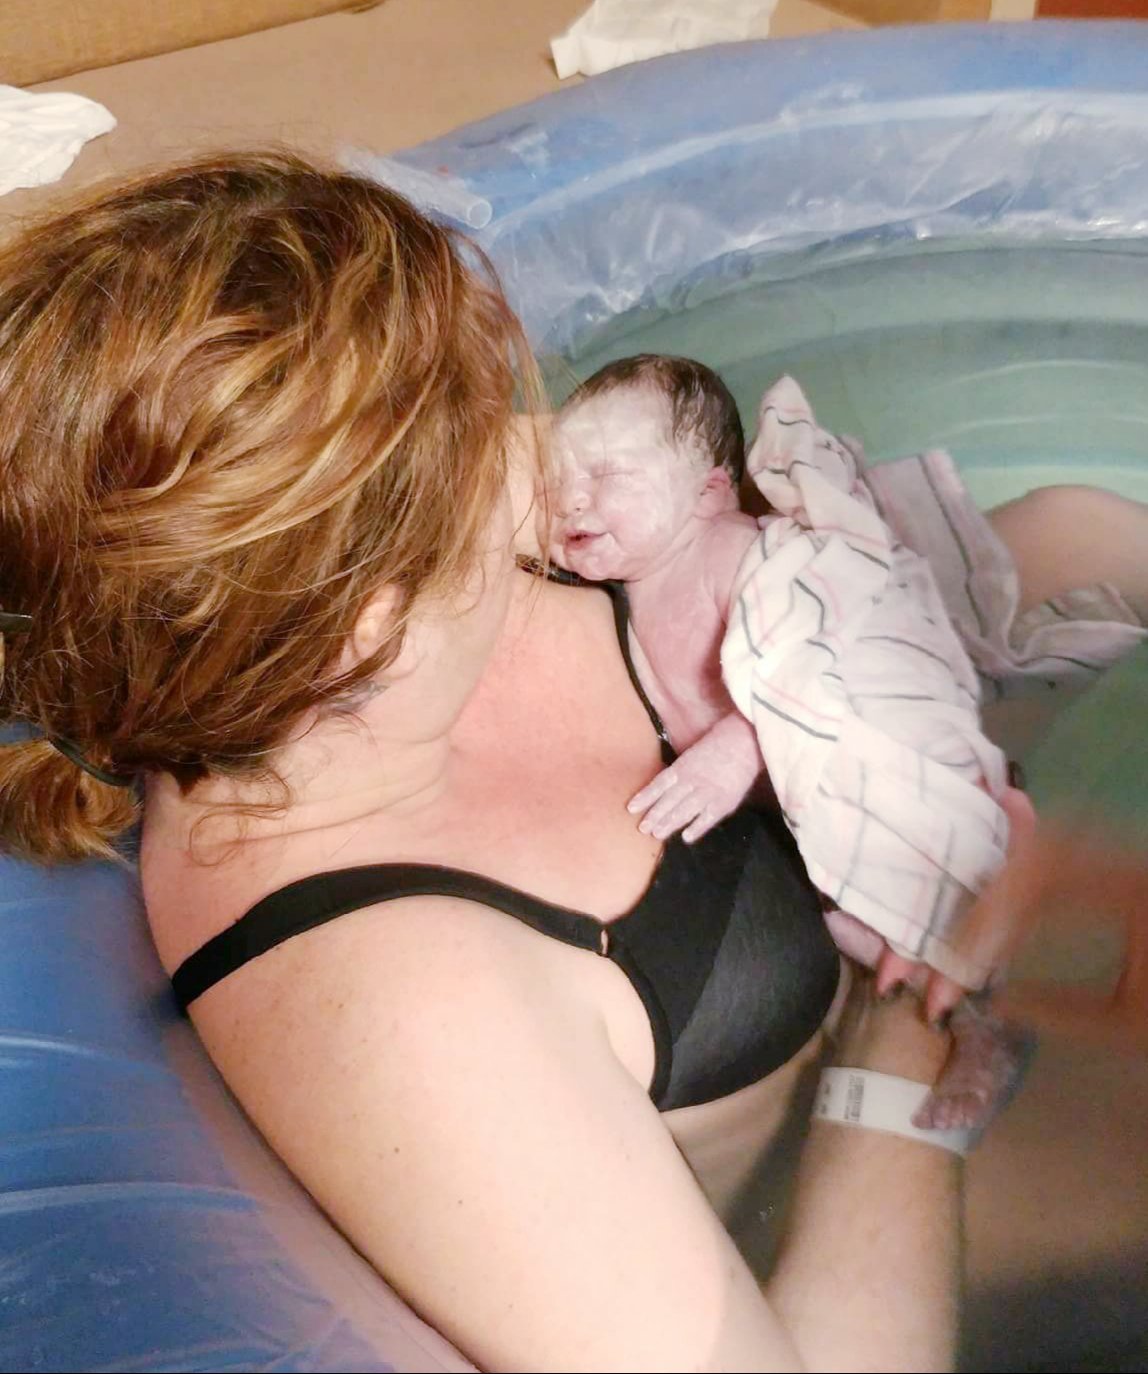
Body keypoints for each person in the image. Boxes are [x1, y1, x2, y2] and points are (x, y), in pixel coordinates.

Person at [0, 150, 1126, 1372]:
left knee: (1086, 524)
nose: (539, 438)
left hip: (921, 928)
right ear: (376, 622)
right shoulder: (401, 1011)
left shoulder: (330, 598)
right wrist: (896, 1053)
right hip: (871, 1143)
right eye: (488, 423)